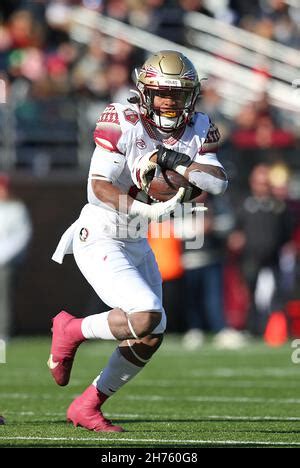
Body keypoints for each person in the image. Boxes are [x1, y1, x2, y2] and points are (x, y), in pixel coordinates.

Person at [49, 50, 228, 432]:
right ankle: (72, 329)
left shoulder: (198, 126)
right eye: (161, 92)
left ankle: (87, 405)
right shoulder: (125, 120)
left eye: (177, 95)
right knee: (146, 315)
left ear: (191, 96)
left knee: (153, 332)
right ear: (144, 91)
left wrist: (172, 159)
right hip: (101, 233)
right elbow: (96, 188)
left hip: (135, 239)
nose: (168, 101)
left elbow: (217, 181)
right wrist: (145, 208)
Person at [0, 174, 32, 340]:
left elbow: (21, 236)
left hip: (7, 263)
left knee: (4, 297)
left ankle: (3, 333)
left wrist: (3, 257)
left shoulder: (17, 208)